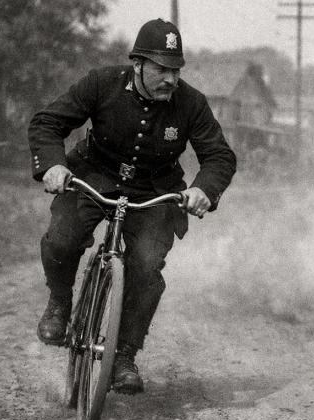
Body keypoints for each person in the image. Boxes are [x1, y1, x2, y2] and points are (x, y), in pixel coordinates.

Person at [29, 19, 236, 394]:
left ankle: (123, 355)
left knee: (146, 266)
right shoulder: (101, 83)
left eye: (176, 70)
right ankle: (59, 303)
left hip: (154, 189)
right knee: (62, 238)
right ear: (137, 63)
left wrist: (203, 189)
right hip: (93, 175)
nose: (170, 79)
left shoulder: (191, 103)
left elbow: (220, 157)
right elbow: (47, 122)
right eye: (161, 69)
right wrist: (54, 165)